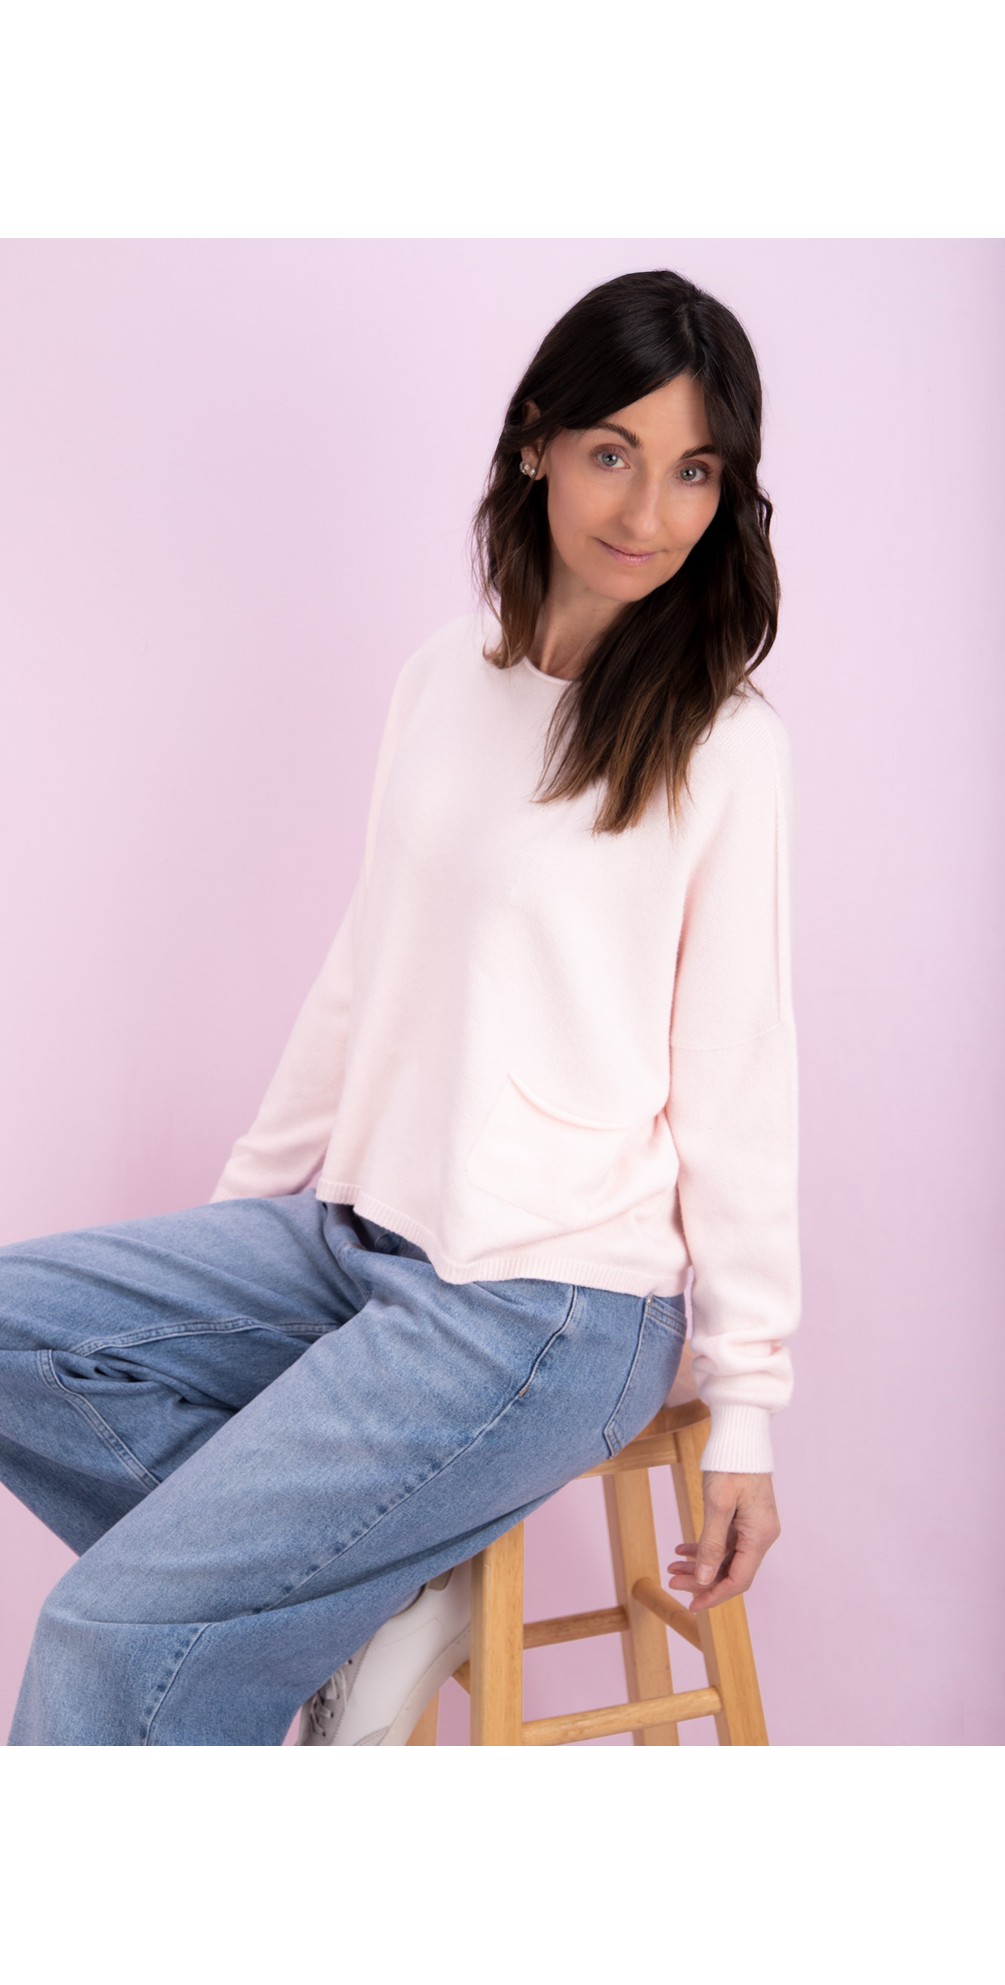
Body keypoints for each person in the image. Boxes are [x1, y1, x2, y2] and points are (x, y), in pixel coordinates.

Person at [1, 267, 800, 1746]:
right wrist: (236, 1227)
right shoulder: (443, 679)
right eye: (613, 452)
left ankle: (290, 1626)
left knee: (104, 1630)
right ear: (535, 443)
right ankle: (352, 1604)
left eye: (695, 470)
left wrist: (745, 1403)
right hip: (354, 1239)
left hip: (550, 1303)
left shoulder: (721, 744)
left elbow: (738, 1073)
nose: (650, 511)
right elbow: (367, 967)